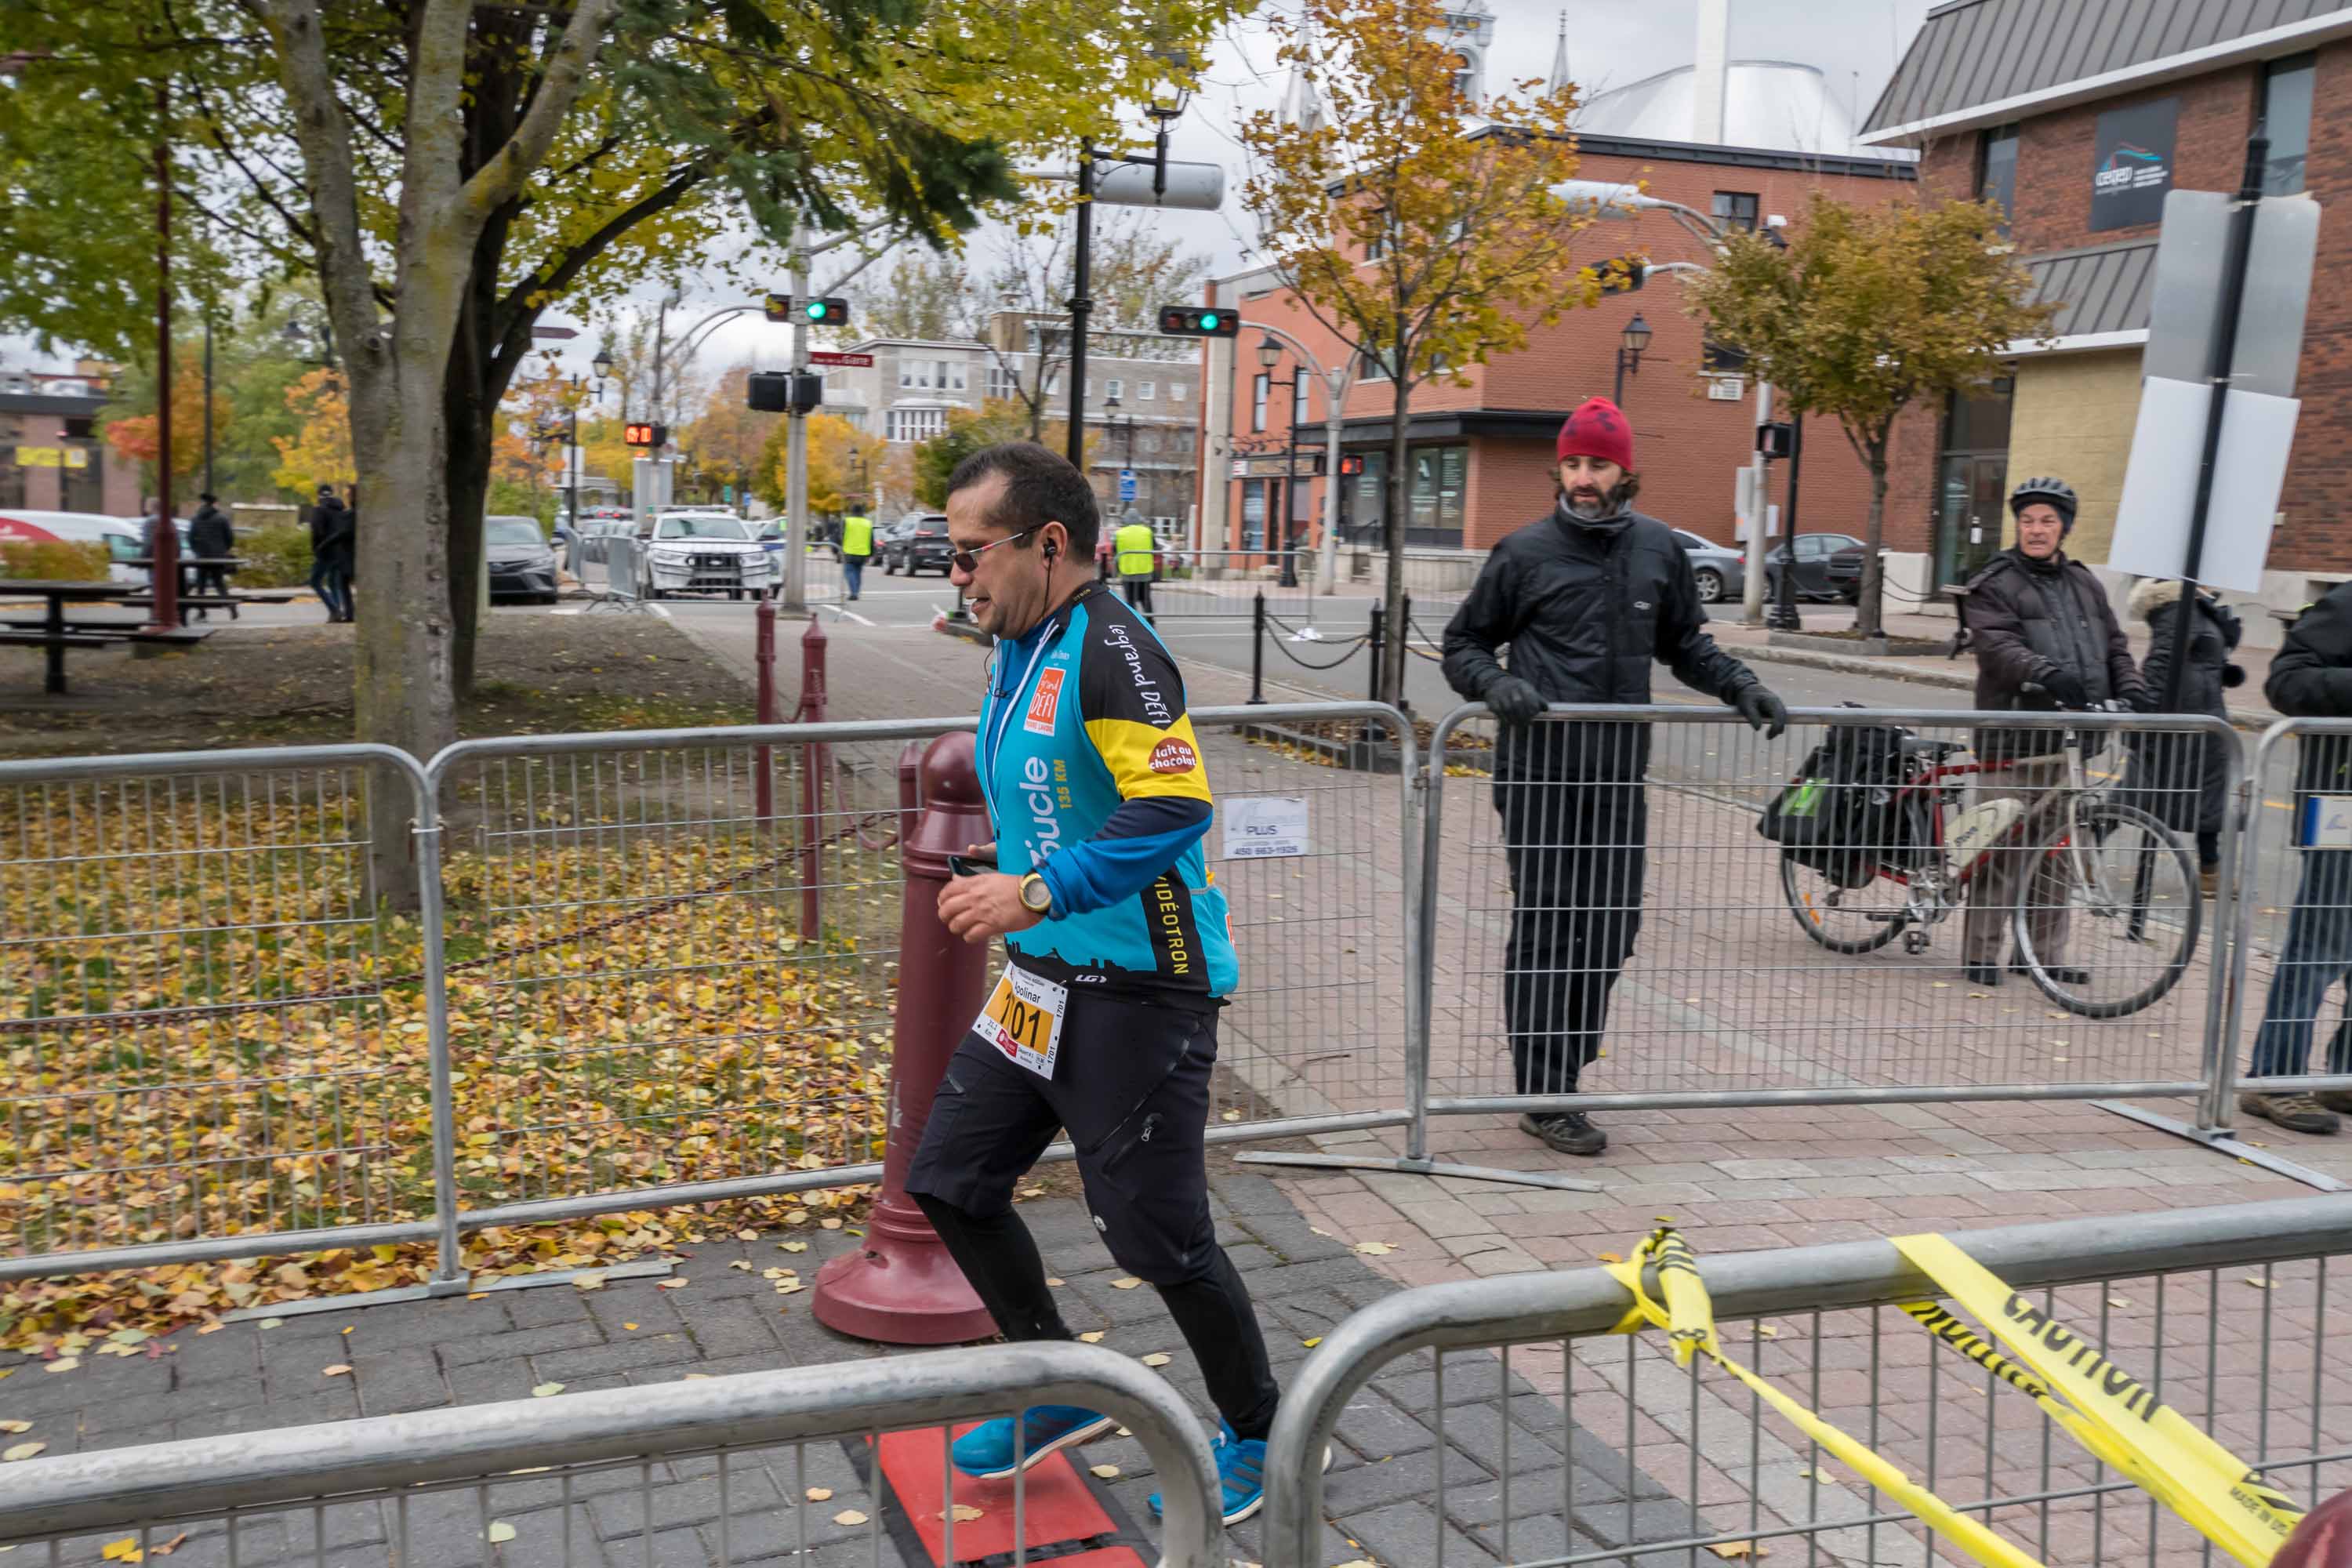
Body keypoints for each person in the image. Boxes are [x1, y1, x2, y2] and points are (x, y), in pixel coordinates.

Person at [908, 441, 1283, 1526]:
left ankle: (1256, 1427)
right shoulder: (1017, 643)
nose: (959, 573)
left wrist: (1034, 891)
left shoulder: (1117, 649)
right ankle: (1058, 1389)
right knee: (949, 1182)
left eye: (973, 551)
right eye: (952, 553)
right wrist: (1023, 889)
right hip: (1043, 983)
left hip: (1143, 990)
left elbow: (1173, 810)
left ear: (1049, 544)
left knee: (1158, 1242)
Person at [1440, 397, 1787, 1156]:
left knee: (1610, 928)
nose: (1583, 477)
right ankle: (1547, 1091)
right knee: (1549, 924)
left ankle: (1566, 1065)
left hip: (1617, 774)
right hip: (1538, 774)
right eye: (1572, 463)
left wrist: (1740, 683)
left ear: (1626, 470)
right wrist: (1494, 684)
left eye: (1598, 463)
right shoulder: (1525, 551)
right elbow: (1461, 642)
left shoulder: (1658, 549)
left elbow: (1686, 644)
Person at [1957, 477, 2148, 989]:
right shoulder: (1995, 581)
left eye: (2047, 521)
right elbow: (1996, 648)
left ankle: (2039, 953)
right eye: (2027, 521)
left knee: (2059, 855)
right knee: (2001, 849)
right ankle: (1980, 954)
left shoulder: (2084, 583)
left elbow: (2114, 645)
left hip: (2070, 743)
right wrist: (2043, 671)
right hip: (2013, 741)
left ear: (2064, 527)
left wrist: (2131, 687)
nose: (2036, 530)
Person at [2240, 580, 2352, 1135]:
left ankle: (2344, 1077)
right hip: (2341, 805)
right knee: (2320, 942)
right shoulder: (2345, 604)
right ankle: (2275, 1080)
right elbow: (2287, 681)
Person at [2126, 578, 2243, 897]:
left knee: (2210, 794)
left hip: (2206, 717)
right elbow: (2161, 662)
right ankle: (2090, 845)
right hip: (2183, 720)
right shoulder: (2180, 608)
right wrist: (2146, 713)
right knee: (2138, 791)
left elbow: (2197, 657)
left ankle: (2210, 869)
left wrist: (2222, 671)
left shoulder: (2200, 606)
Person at [187, 492, 237, 622]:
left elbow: (191, 538)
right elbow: (230, 538)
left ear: (203, 503)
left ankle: (202, 612)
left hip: (202, 556)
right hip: (218, 556)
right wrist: (223, 550)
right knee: (219, 583)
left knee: (201, 586)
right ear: (214, 503)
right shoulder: (222, 518)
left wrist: (197, 550)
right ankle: (231, 607)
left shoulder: (196, 518)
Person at [310, 485, 355, 623]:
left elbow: (318, 532)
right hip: (340, 553)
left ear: (318, 495)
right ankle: (337, 613)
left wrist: (317, 548)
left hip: (325, 552)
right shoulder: (341, 510)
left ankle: (334, 609)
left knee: (315, 581)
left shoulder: (319, 511)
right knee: (333, 583)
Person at [1113, 513, 1156, 616]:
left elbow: (1114, 550)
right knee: (1146, 599)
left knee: (1130, 600)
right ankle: (1150, 621)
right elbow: (1155, 546)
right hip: (1145, 571)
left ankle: (1134, 622)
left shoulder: (1120, 533)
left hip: (1127, 571)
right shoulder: (1147, 532)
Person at [838, 506, 873, 601]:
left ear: (852, 512)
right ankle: (856, 592)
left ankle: (854, 593)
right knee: (858, 573)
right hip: (863, 552)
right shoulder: (868, 523)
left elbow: (840, 536)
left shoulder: (847, 521)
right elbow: (871, 540)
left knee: (849, 572)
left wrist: (838, 549)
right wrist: (871, 554)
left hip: (849, 551)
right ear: (862, 513)